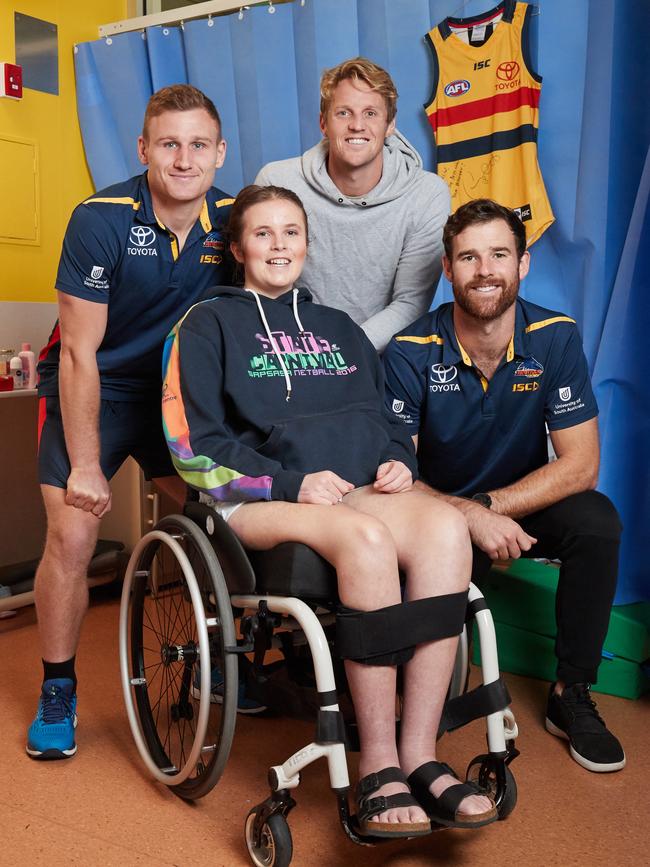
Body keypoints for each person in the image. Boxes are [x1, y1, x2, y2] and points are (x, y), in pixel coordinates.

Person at [162, 184, 497, 836]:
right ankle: (377, 761)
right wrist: (290, 481)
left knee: (447, 529)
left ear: (307, 245)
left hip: (356, 489)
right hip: (253, 499)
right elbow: (191, 448)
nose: (279, 244)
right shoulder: (205, 326)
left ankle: (420, 752)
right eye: (263, 233)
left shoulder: (340, 328)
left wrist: (399, 458)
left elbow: (378, 419)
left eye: (292, 232)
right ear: (237, 248)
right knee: (366, 540)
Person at [383, 198, 625, 774]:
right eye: (468, 257)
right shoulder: (409, 351)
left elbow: (580, 465)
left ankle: (572, 694)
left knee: (596, 520)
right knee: (428, 694)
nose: (484, 269)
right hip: (436, 514)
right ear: (447, 268)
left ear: (523, 264)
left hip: (515, 502)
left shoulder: (555, 337)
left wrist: (490, 508)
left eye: (499, 254)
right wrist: (468, 518)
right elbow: (397, 480)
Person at [29, 84, 234, 760]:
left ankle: (224, 663)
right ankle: (58, 689)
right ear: (144, 149)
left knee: (225, 524)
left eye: (198, 144)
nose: (183, 158)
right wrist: (86, 463)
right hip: (100, 387)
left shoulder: (236, 219)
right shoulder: (101, 217)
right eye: (169, 144)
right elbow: (81, 353)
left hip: (179, 396)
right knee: (74, 533)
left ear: (219, 152)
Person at [255, 57, 450, 353]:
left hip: (378, 358)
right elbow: (263, 285)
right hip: (292, 351)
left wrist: (340, 353)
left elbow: (410, 303)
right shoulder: (276, 182)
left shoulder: (426, 195)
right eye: (343, 113)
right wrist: (306, 353)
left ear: (390, 125)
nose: (357, 125)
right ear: (323, 123)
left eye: (370, 113)